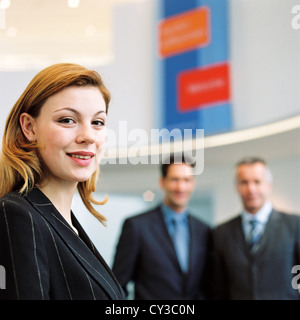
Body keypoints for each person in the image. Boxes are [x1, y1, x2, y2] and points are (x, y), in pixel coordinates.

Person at [0, 63, 125, 300]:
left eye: (97, 122)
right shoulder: (18, 215)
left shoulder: (67, 224)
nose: (88, 136)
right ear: (29, 127)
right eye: (67, 120)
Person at [112, 153, 212, 300]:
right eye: (174, 179)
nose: (181, 187)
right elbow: (117, 284)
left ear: (193, 183)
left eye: (186, 180)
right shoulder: (137, 226)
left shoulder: (204, 230)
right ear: (162, 182)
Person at [211, 156, 300, 300]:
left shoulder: (294, 225)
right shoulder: (221, 233)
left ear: (269, 185)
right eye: (244, 182)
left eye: (257, 182)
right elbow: (218, 287)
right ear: (237, 187)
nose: (251, 189)